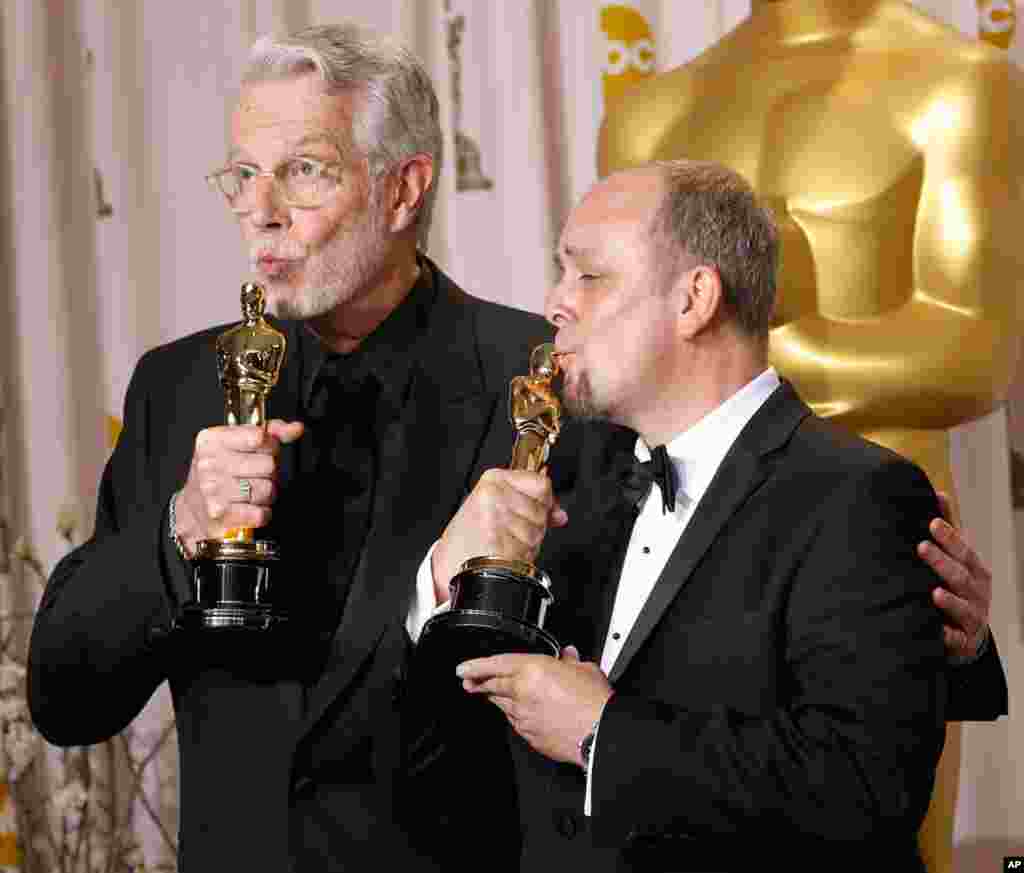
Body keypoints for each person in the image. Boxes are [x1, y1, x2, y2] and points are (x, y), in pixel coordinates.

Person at [26, 22, 555, 872]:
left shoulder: (535, 379)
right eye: (243, 176)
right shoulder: (176, 387)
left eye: (304, 170)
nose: (261, 212)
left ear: (403, 189)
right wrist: (180, 532)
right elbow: (62, 697)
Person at [431, 159, 993, 871]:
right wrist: (449, 575)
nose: (554, 303)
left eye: (588, 276)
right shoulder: (558, 478)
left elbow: (862, 787)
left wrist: (604, 732)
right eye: (558, 273)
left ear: (694, 298)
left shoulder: (862, 495)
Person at [597, 5, 1022, 866]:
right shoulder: (651, 111)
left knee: (870, 837)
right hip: (682, 545)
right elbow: (614, 345)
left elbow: (969, 348)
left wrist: (706, 352)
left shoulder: (960, 83)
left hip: (874, 548)